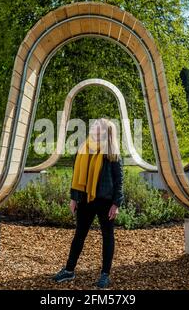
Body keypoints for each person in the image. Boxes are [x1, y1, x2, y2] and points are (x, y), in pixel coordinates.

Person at [52, 118, 124, 289]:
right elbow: (76, 176)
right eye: (93, 125)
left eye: (97, 126)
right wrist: (73, 198)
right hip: (85, 199)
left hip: (106, 202)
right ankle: (69, 270)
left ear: (105, 131)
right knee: (79, 234)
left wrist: (116, 204)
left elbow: (120, 181)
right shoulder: (83, 148)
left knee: (107, 236)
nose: (93, 127)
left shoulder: (112, 152)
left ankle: (105, 275)